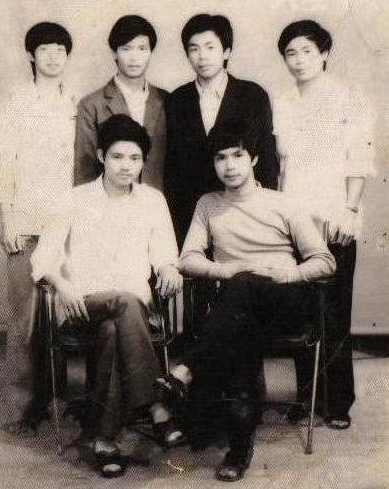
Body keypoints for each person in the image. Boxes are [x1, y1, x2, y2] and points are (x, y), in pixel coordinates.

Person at [157, 130, 336, 482]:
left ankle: (186, 370)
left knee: (238, 299)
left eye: (237, 155)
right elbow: (188, 258)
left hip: (283, 301)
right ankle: (238, 452)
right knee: (239, 320)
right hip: (238, 310)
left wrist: (290, 273)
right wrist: (227, 269)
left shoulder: (283, 203)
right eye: (220, 157)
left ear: (253, 158)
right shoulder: (208, 204)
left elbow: (325, 261)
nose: (229, 165)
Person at [31, 114, 183, 477]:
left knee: (113, 329)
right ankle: (155, 404)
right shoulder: (74, 199)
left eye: (134, 158)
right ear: (101, 156)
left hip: (132, 315)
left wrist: (169, 268)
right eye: (117, 157)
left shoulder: (152, 200)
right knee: (123, 303)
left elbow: (164, 253)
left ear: (143, 161)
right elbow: (42, 258)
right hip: (82, 305)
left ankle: (104, 439)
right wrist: (62, 284)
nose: (126, 166)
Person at [274, 20, 376, 429]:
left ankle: (337, 402)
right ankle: (306, 396)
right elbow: (282, 166)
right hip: (293, 220)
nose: (299, 60)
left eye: (307, 51)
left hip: (334, 218)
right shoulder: (283, 101)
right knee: (300, 311)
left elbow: (359, 162)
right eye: (291, 53)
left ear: (325, 53)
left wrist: (349, 211)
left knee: (332, 312)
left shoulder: (348, 98)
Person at [0, 21, 77, 433]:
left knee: (59, 316)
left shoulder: (75, 102)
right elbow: (2, 161)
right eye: (45, 49)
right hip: (25, 220)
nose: (53, 56)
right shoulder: (16, 101)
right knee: (23, 319)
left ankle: (57, 401)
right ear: (31, 55)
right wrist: (8, 215)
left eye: (60, 49)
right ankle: (21, 408)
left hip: (66, 221)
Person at [164, 13, 279, 248]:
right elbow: (171, 168)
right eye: (194, 48)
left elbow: (267, 159)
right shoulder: (176, 100)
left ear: (226, 51)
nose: (202, 56)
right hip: (190, 216)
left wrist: (264, 214)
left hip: (243, 214)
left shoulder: (253, 95)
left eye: (210, 47)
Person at [74, 15, 167, 190]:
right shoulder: (91, 104)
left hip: (158, 199)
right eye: (126, 49)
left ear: (151, 52)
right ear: (114, 53)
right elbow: (85, 169)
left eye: (142, 48)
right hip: (109, 200)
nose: (134, 57)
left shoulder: (166, 100)